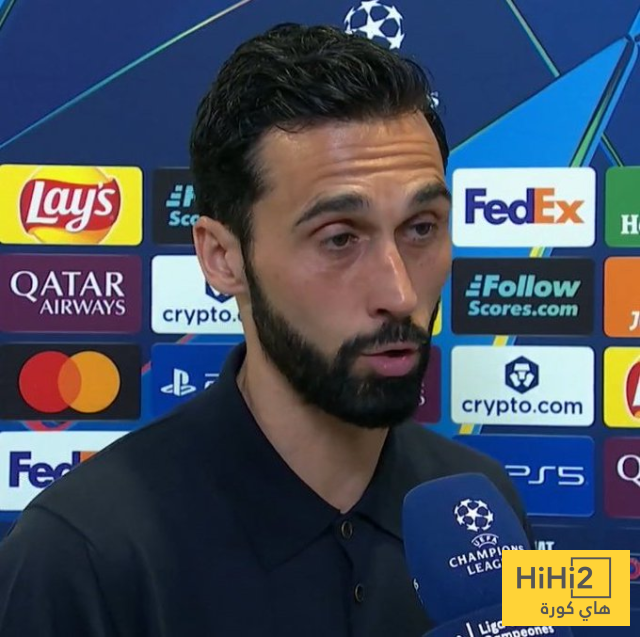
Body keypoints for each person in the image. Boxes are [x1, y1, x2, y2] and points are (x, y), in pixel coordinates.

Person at [0, 23, 533, 637]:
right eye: (340, 239)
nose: (400, 294)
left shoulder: (483, 511)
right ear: (223, 258)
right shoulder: (79, 558)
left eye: (421, 228)